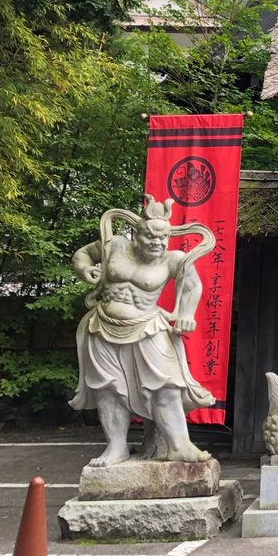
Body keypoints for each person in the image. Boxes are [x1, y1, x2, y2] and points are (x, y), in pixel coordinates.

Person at [71, 196, 215, 467]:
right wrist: (85, 269)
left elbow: (192, 287)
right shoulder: (116, 246)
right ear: (136, 234)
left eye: (163, 239)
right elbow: (83, 254)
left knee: (166, 385)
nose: (157, 244)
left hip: (148, 326)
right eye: (150, 237)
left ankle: (178, 444)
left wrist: (185, 314)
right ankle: (116, 447)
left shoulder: (174, 259)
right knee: (108, 389)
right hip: (102, 325)